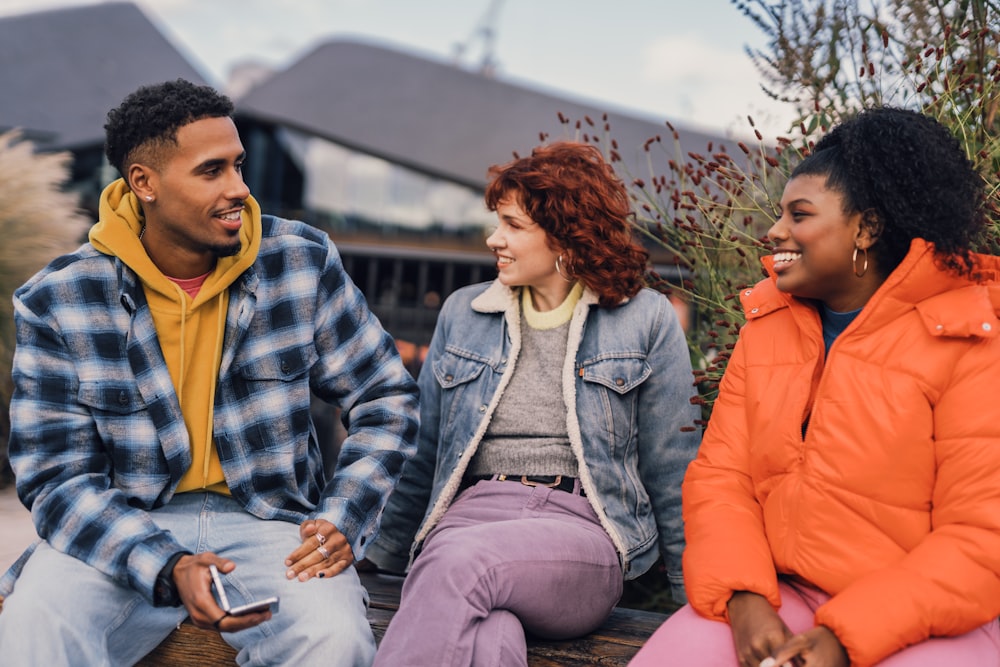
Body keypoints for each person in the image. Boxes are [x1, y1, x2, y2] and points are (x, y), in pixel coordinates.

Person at [0, 79, 419, 666]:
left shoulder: (300, 261)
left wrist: (343, 514)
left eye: (239, 165)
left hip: (270, 521)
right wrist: (166, 565)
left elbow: (386, 397)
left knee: (337, 640)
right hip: (124, 520)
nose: (239, 190)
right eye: (211, 171)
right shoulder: (59, 299)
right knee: (32, 621)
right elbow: (55, 480)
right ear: (143, 182)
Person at [629, 106, 1000, 667]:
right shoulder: (766, 332)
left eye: (798, 215)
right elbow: (721, 481)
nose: (775, 231)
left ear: (867, 228)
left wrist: (845, 637)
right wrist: (744, 599)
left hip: (930, 620)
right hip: (781, 595)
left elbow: (980, 538)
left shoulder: (970, 341)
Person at [364, 141, 702, 666]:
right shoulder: (464, 312)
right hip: (468, 521)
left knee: (460, 564)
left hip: (579, 535)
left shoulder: (644, 319)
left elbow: (672, 466)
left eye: (513, 225)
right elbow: (426, 451)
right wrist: (375, 556)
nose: (493, 238)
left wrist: (692, 600)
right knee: (490, 637)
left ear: (567, 234)